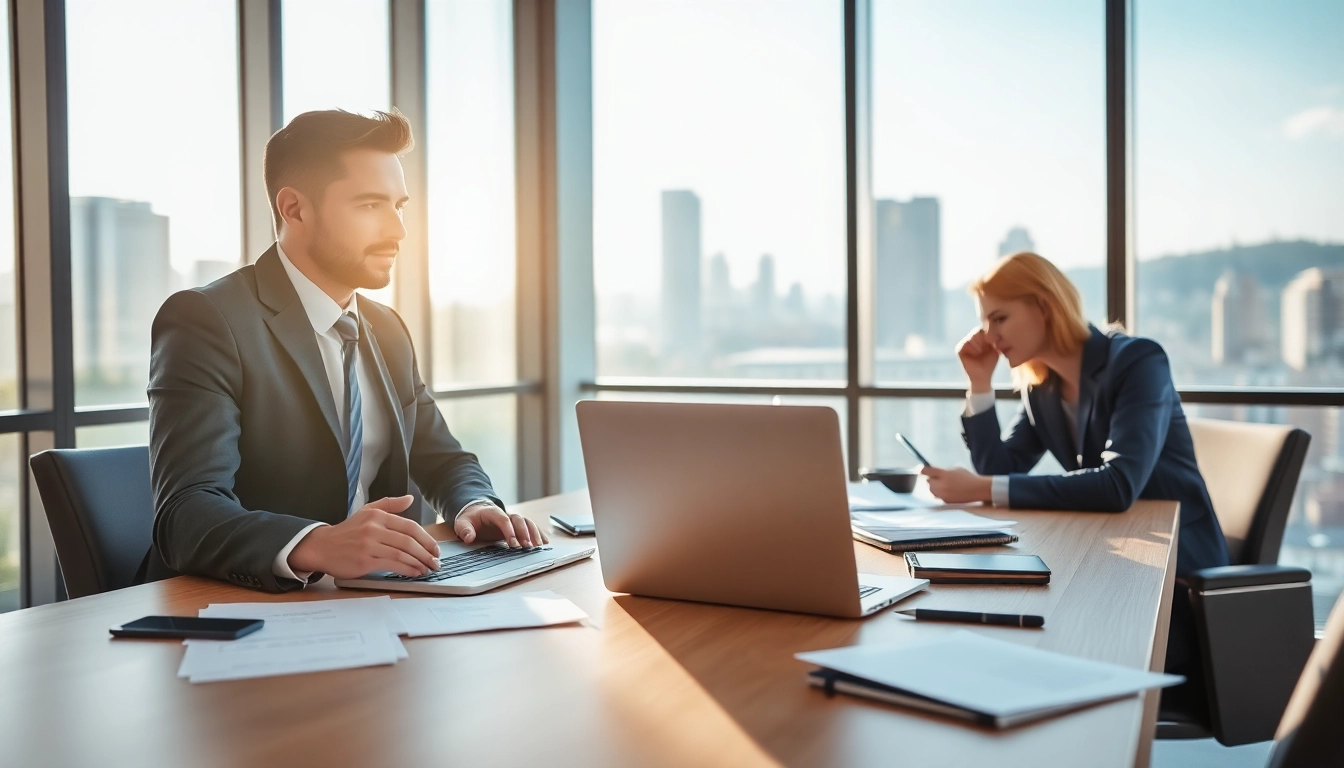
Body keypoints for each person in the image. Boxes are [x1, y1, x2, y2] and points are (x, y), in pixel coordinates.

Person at [141, 109, 546, 592]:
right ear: (294, 209)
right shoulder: (207, 319)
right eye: (371, 205)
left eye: (399, 206)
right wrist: (318, 542)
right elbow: (186, 513)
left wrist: (473, 505)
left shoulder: (386, 328)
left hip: (377, 597)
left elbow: (442, 458)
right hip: (242, 609)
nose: (398, 231)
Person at [923, 251, 1229, 683]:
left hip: (1176, 587)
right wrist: (979, 384)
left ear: (1044, 305)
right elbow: (1000, 466)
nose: (989, 337)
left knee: (1030, 648)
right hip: (1112, 567)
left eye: (1000, 318)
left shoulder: (1138, 362)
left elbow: (1117, 485)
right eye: (985, 322)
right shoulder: (1042, 388)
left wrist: (984, 486)